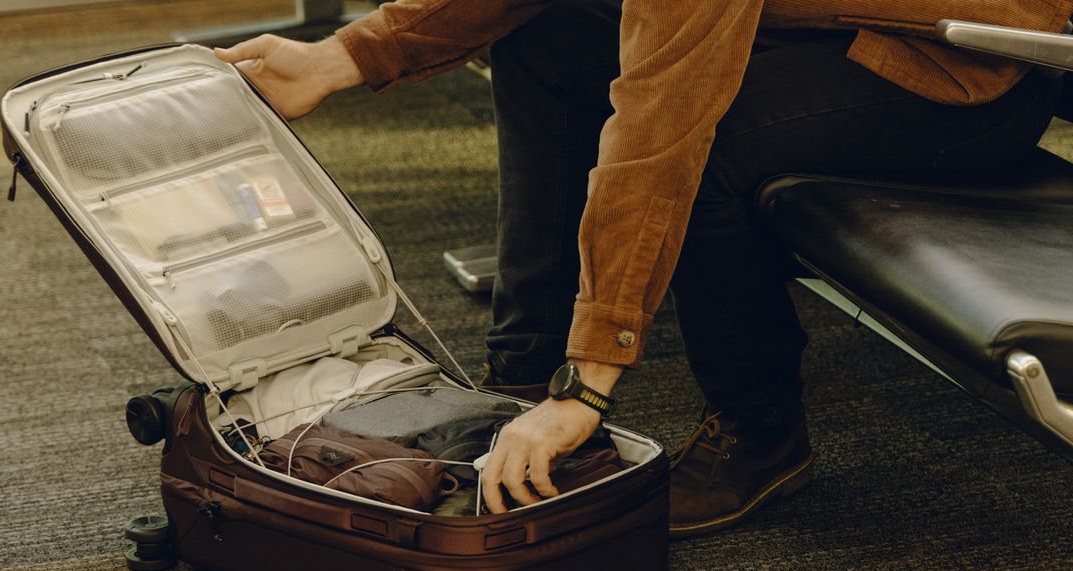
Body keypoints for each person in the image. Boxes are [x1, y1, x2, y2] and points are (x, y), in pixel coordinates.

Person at [215, 0, 1073, 532]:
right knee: (546, 37)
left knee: (707, 147)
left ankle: (758, 428)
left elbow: (663, 121)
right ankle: (517, 377)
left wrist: (591, 383)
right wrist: (346, 56)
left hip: (960, 70)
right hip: (817, 21)